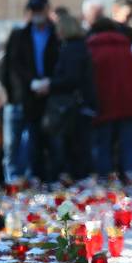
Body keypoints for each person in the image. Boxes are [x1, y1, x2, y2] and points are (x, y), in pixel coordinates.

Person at [4, 0, 59, 182]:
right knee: (13, 142)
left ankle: (34, 177)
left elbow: (60, 62)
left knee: (37, 141)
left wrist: (49, 82)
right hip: (22, 95)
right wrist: (30, 82)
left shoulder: (55, 34)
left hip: (46, 96)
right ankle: (12, 180)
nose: (37, 14)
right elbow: (13, 65)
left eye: (40, 10)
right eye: (34, 10)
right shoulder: (19, 35)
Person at [87, 18, 132, 179]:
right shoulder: (127, 49)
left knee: (103, 146)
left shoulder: (93, 49)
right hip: (128, 104)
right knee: (129, 146)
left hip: (103, 104)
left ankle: (105, 183)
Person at [46, 13, 96, 182]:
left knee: (72, 146)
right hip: (80, 104)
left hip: (72, 105)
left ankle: (73, 179)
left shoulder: (71, 49)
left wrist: (49, 84)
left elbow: (71, 78)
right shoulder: (79, 47)